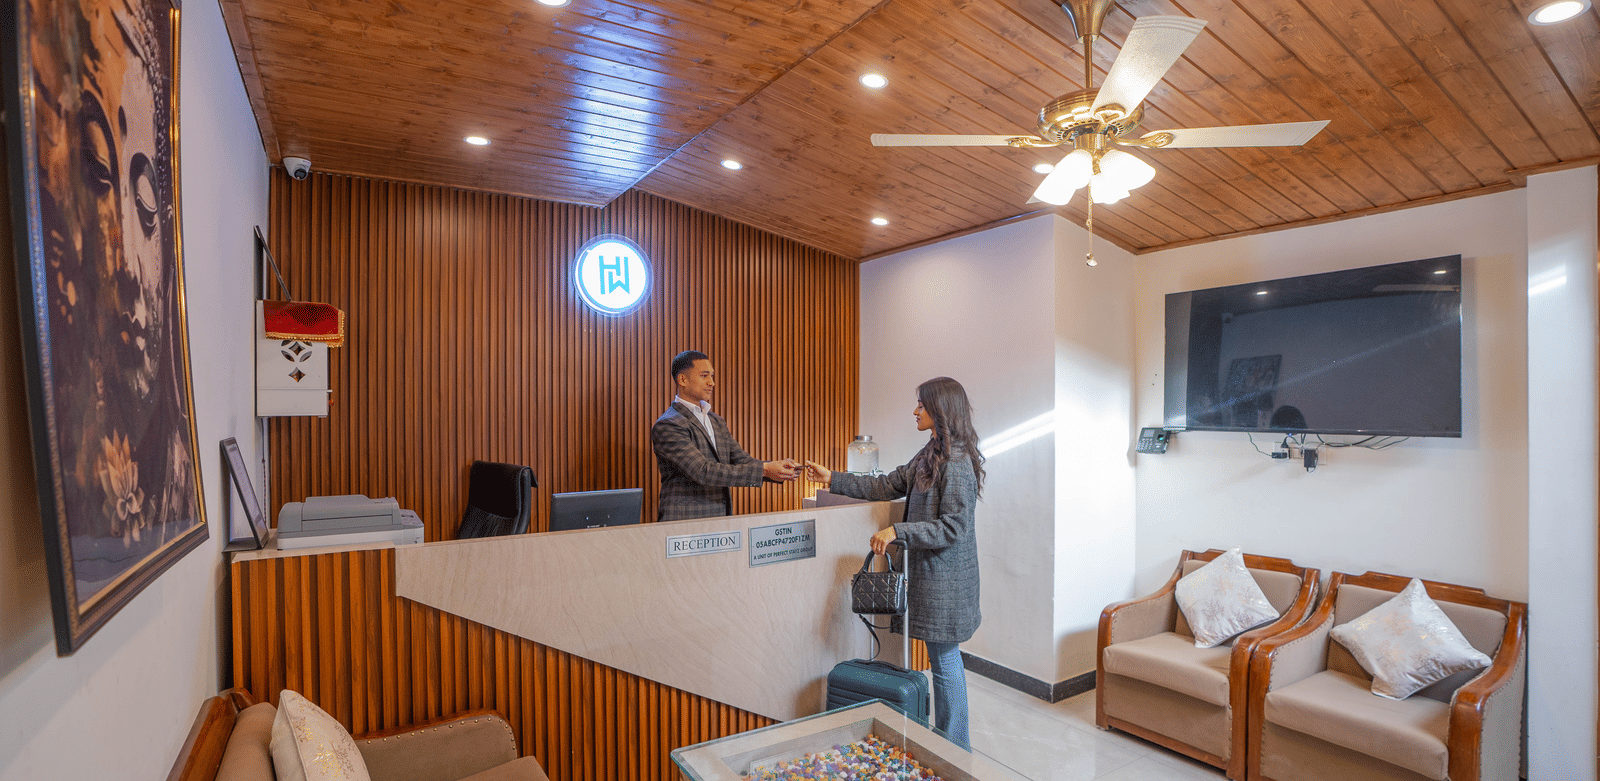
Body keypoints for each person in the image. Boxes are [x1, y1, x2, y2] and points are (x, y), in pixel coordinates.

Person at [804, 376, 984, 749]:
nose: (915, 411)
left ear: (940, 409)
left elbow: (954, 527)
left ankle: (956, 749)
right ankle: (951, 745)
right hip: (932, 577)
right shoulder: (932, 451)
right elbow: (886, 484)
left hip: (947, 581)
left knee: (945, 663)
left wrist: (897, 531)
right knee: (942, 660)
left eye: (921, 404)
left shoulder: (957, 461)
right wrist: (833, 478)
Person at [652, 350, 800, 521]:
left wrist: (777, 468)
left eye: (712, 376)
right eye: (704, 375)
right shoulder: (669, 424)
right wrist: (765, 469)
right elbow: (702, 471)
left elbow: (742, 460)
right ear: (682, 380)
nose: (712, 382)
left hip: (720, 520)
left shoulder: (715, 420)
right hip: (685, 522)